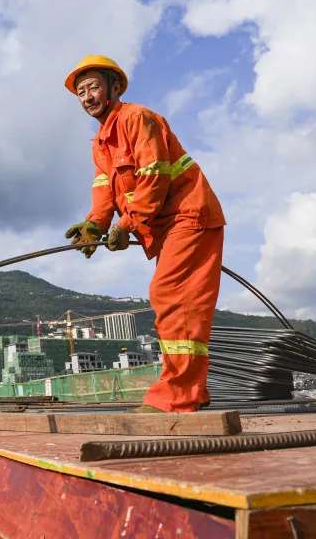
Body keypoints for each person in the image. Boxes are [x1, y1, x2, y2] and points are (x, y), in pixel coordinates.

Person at [63, 55, 225, 413]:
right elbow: (105, 187)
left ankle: (178, 395)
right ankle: (190, 391)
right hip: (166, 227)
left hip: (188, 216)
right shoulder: (101, 141)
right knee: (174, 298)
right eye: (80, 92)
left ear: (115, 87)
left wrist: (127, 224)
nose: (86, 97)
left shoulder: (137, 119)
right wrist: (95, 224)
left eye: (92, 88)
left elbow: (154, 177)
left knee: (172, 296)